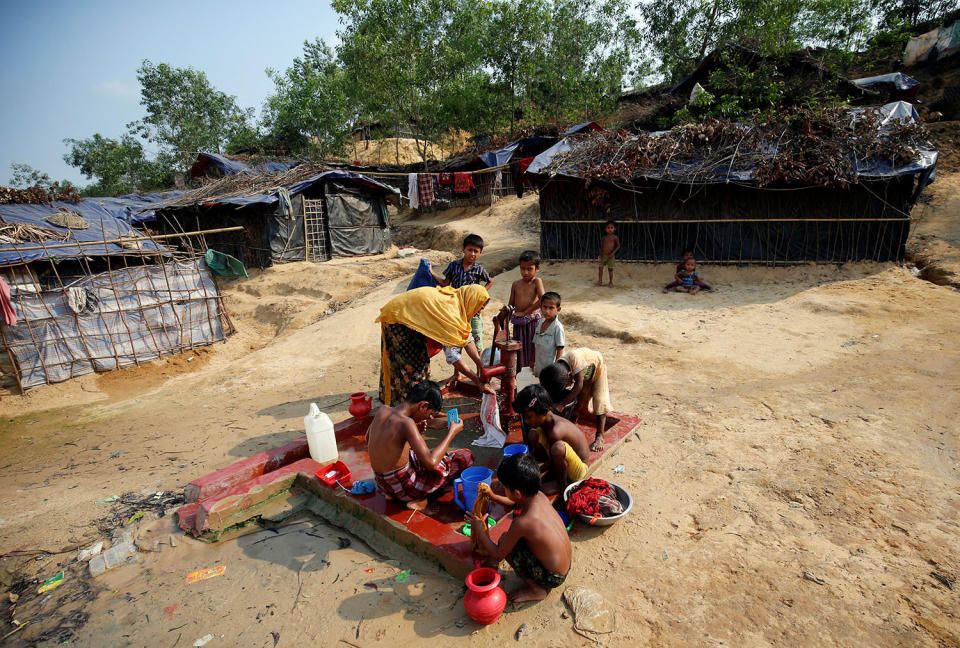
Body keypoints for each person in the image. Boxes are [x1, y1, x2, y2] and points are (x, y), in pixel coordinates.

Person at [467, 453, 572, 602]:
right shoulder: (539, 495)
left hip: (553, 578)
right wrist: (493, 496)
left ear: (516, 492)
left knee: (506, 541)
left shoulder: (523, 523)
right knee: (511, 538)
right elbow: (516, 502)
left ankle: (537, 590)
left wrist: (479, 528)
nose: (502, 490)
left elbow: (498, 555)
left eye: (504, 488)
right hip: (565, 566)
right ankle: (538, 582)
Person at [376, 284, 494, 406]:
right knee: (410, 364)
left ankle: (413, 401)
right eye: (479, 308)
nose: (479, 313)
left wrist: (480, 364)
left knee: (420, 361)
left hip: (410, 318)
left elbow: (467, 340)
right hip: (398, 319)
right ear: (472, 300)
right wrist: (477, 381)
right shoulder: (451, 312)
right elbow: (453, 356)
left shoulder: (459, 303)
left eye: (482, 309)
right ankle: (405, 405)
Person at [367, 380, 474, 511]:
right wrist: (452, 433)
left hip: (383, 484)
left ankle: (394, 495)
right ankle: (421, 500)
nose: (429, 418)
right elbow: (431, 462)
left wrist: (413, 433)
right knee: (464, 457)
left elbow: (369, 438)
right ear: (423, 405)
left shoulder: (383, 410)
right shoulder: (406, 423)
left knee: (417, 455)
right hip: (405, 488)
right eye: (429, 414)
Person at [515, 384, 590, 489]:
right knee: (533, 434)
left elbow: (554, 457)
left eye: (528, 417)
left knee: (557, 449)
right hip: (562, 457)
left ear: (543, 412)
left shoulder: (555, 432)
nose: (526, 421)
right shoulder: (547, 421)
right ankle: (548, 468)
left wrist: (535, 471)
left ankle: (561, 484)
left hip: (579, 470)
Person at [539, 348, 611, 451]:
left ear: (568, 375)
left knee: (600, 402)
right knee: (578, 402)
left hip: (597, 371)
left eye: (567, 383)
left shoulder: (575, 358)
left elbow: (578, 385)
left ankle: (600, 436)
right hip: (583, 377)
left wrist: (561, 404)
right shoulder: (557, 367)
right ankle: (572, 425)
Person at [430, 234, 492, 350]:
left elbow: (490, 281)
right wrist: (432, 273)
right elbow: (445, 284)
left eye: (476, 251)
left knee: (477, 339)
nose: (472, 254)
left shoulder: (479, 269)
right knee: (457, 341)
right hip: (456, 309)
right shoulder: (454, 266)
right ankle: (457, 369)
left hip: (473, 310)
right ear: (463, 249)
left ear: (480, 253)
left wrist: (480, 303)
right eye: (470, 250)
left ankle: (479, 368)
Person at [508, 250, 545, 370]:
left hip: (532, 322)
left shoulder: (536, 282)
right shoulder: (516, 284)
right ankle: (520, 374)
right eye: (522, 268)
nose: (525, 272)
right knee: (519, 348)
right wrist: (506, 312)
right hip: (518, 323)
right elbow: (511, 304)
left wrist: (525, 312)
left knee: (532, 348)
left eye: (530, 269)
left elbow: (543, 300)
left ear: (537, 268)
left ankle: (532, 373)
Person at [533, 291, 565, 378]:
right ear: (540, 307)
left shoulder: (558, 327)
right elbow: (535, 344)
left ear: (558, 309)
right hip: (539, 365)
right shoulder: (540, 323)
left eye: (551, 308)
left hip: (551, 368)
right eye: (545, 307)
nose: (547, 311)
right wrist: (532, 362)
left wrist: (556, 368)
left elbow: (560, 349)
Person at [597, 220, 620, 287]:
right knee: (600, 268)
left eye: (611, 227)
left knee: (610, 269)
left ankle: (610, 282)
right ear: (605, 229)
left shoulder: (615, 237)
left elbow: (618, 246)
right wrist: (600, 255)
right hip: (603, 255)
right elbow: (602, 247)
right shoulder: (604, 238)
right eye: (608, 228)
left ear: (614, 229)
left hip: (611, 256)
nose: (610, 229)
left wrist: (613, 253)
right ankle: (600, 281)